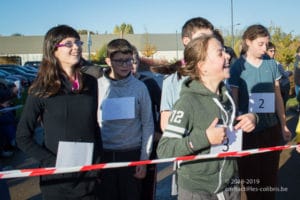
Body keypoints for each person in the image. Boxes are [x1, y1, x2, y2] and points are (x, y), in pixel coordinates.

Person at [157, 34, 257, 200]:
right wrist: (205, 138)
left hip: (230, 186)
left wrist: (252, 118)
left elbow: (235, 123)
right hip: (197, 191)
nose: (228, 56)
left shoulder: (227, 97)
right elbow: (165, 149)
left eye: (226, 51)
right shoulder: (188, 102)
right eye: (220, 53)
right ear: (202, 66)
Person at [16, 25, 102, 200]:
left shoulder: (91, 83)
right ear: (53, 50)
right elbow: (22, 137)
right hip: (57, 181)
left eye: (78, 42)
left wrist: (98, 160)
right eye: (68, 44)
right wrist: (53, 162)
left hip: (89, 178)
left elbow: (94, 126)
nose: (76, 47)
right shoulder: (41, 89)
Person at [228, 24, 291, 200]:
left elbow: (278, 96)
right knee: (251, 181)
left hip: (270, 130)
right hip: (248, 133)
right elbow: (233, 102)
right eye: (261, 44)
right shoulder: (237, 68)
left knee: (269, 180)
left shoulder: (271, 65)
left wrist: (284, 124)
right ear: (248, 41)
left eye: (267, 44)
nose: (265, 48)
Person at [97, 38, 154, 200]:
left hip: (132, 156)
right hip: (105, 157)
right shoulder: (98, 87)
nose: (125, 65)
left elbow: (147, 124)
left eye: (129, 60)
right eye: (119, 61)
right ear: (108, 61)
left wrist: (144, 160)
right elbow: (91, 125)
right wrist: (95, 162)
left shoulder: (140, 88)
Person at [159, 17, 214, 132]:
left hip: (217, 147)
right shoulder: (172, 78)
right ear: (186, 41)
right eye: (202, 38)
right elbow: (165, 124)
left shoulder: (217, 72)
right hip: (187, 146)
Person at [132, 45, 161, 200]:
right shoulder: (111, 85)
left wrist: (159, 132)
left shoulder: (149, 83)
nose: (131, 66)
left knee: (146, 189)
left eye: (134, 62)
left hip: (148, 143)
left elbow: (164, 108)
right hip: (125, 146)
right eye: (127, 61)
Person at [266, 42, 292, 108]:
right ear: (265, 51)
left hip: (282, 87)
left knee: (281, 106)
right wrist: (289, 72)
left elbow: (283, 75)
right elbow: (285, 74)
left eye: (274, 51)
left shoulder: (276, 63)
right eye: (271, 51)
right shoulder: (264, 63)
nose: (273, 53)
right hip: (274, 89)